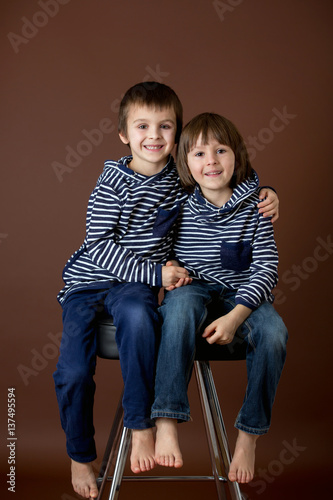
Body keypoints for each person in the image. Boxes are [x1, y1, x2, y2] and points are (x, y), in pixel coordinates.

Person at [53, 83, 279, 499]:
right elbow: (100, 245)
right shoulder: (111, 182)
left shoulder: (182, 179)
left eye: (165, 127)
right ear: (124, 134)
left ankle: (142, 426)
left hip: (136, 289)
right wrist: (157, 273)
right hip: (91, 282)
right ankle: (79, 455)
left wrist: (268, 193)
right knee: (73, 373)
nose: (153, 136)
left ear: (177, 137)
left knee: (142, 321)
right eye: (142, 126)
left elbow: (222, 175)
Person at [152, 112, 288, 484]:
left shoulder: (257, 205)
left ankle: (249, 435)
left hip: (242, 295)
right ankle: (166, 417)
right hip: (191, 287)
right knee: (177, 312)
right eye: (198, 154)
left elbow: (266, 270)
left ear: (237, 156)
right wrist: (164, 266)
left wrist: (234, 318)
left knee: (274, 334)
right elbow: (147, 239)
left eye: (220, 150)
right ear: (185, 163)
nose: (210, 161)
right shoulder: (178, 202)